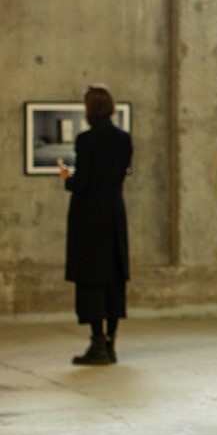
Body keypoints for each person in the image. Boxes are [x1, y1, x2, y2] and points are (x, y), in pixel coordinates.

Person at [59, 85, 132, 367]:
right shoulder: (123, 139)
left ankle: (97, 343)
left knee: (91, 278)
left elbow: (83, 182)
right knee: (113, 276)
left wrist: (66, 178)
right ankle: (111, 344)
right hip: (114, 212)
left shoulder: (86, 140)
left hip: (89, 216)